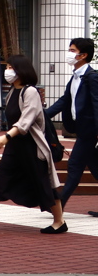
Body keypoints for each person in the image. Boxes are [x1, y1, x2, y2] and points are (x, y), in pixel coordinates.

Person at [0, 56, 65, 233]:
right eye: (7, 67)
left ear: (21, 70)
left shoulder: (30, 92)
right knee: (1, 178)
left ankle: (59, 221)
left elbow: (27, 120)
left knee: (42, 182)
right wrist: (9, 138)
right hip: (15, 145)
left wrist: (6, 137)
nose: (7, 71)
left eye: (11, 67)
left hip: (31, 146)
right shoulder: (12, 91)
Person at [44, 38, 98, 215]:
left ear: (83, 55)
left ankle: (57, 206)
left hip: (90, 131)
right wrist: (41, 116)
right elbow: (64, 100)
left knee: (74, 165)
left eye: (72, 50)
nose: (69, 54)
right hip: (81, 129)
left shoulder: (92, 77)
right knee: (95, 167)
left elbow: (97, 105)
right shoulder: (75, 77)